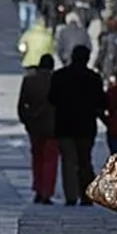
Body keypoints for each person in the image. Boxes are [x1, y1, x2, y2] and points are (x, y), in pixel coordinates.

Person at [48, 45, 106, 206]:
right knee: (85, 160)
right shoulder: (93, 78)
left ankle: (71, 195)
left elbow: (52, 98)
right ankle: (87, 195)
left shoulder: (59, 76)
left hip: (64, 124)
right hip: (86, 125)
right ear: (87, 58)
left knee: (68, 161)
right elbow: (101, 101)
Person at [18, 54, 58, 204]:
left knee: (37, 158)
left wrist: (26, 121)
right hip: (54, 126)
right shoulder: (56, 81)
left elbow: (22, 104)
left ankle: (38, 188)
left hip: (35, 125)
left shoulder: (29, 80)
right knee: (50, 160)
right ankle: (47, 191)